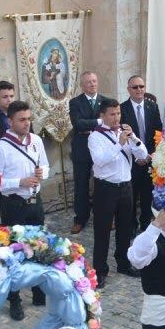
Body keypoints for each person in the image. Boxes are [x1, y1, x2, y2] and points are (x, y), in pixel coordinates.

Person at [0, 100, 50, 321]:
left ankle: (38, 290)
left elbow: (47, 166)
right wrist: (19, 181)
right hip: (13, 204)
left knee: (38, 247)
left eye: (28, 119)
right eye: (22, 120)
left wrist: (43, 173)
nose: (26, 123)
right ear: (10, 121)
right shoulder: (0, 148)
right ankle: (14, 299)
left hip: (36, 201)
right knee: (13, 251)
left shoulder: (37, 141)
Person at [88, 98, 149, 286]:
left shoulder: (124, 133)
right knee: (103, 230)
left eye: (119, 113)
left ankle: (123, 263)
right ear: (103, 115)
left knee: (125, 228)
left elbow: (143, 155)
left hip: (126, 186)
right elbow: (100, 161)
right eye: (112, 114)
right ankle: (100, 270)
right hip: (105, 188)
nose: (117, 118)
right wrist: (119, 144)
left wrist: (134, 139)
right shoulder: (95, 136)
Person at [121, 74, 162, 234]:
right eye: (135, 87)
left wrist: (150, 155)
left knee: (147, 195)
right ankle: (131, 225)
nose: (139, 90)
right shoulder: (122, 109)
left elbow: (158, 132)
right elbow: (122, 135)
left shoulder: (152, 106)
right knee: (131, 196)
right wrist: (137, 156)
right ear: (128, 90)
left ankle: (146, 224)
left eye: (141, 87)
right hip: (132, 161)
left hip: (149, 159)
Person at [68, 71, 103, 234]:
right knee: (81, 184)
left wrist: (91, 124)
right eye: (88, 82)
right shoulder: (75, 102)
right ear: (82, 85)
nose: (92, 84)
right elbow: (78, 124)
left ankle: (103, 216)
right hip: (82, 147)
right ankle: (80, 218)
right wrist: (98, 122)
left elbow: (111, 122)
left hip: (101, 147)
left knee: (101, 184)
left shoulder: (105, 101)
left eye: (94, 81)